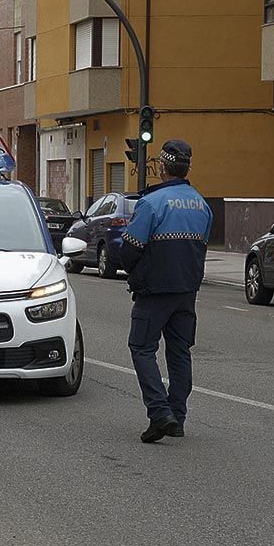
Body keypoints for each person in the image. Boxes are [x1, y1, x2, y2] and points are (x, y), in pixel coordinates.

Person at [118, 139, 213, 444]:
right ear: (187, 167)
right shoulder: (202, 204)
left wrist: (131, 271)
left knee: (142, 348)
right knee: (179, 352)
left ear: (161, 167)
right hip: (187, 291)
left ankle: (160, 414)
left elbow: (131, 248)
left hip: (154, 289)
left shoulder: (151, 203)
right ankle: (178, 416)